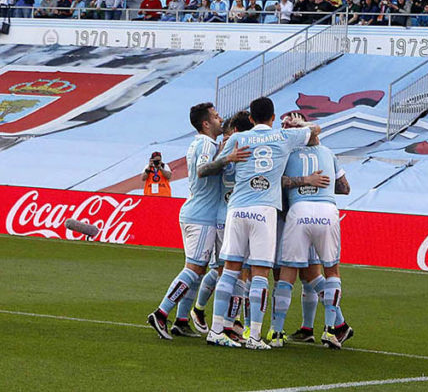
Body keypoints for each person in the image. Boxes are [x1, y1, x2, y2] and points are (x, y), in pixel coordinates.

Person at [203, 96, 320, 349]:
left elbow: (213, 167)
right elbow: (315, 132)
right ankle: (254, 336)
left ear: (252, 118)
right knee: (260, 274)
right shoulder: (283, 136)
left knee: (230, 270)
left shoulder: (237, 138)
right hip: (264, 210)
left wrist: (228, 158)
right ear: (274, 118)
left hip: (236, 208)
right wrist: (297, 124)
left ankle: (215, 330)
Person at [146, 103, 249, 340]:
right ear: (205, 123)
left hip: (203, 213)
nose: (220, 118)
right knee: (194, 268)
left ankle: (181, 320)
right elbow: (203, 169)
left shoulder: (207, 143)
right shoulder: (204, 143)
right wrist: (228, 158)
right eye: (215, 116)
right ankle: (161, 313)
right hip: (201, 215)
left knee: (200, 270)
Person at [270, 111, 351, 349]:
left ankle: (276, 332)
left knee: (287, 273)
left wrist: (302, 183)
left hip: (297, 211)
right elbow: (345, 188)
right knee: (329, 271)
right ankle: (330, 329)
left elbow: (276, 181)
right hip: (327, 210)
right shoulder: (328, 153)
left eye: (289, 124)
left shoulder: (284, 151)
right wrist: (320, 185)